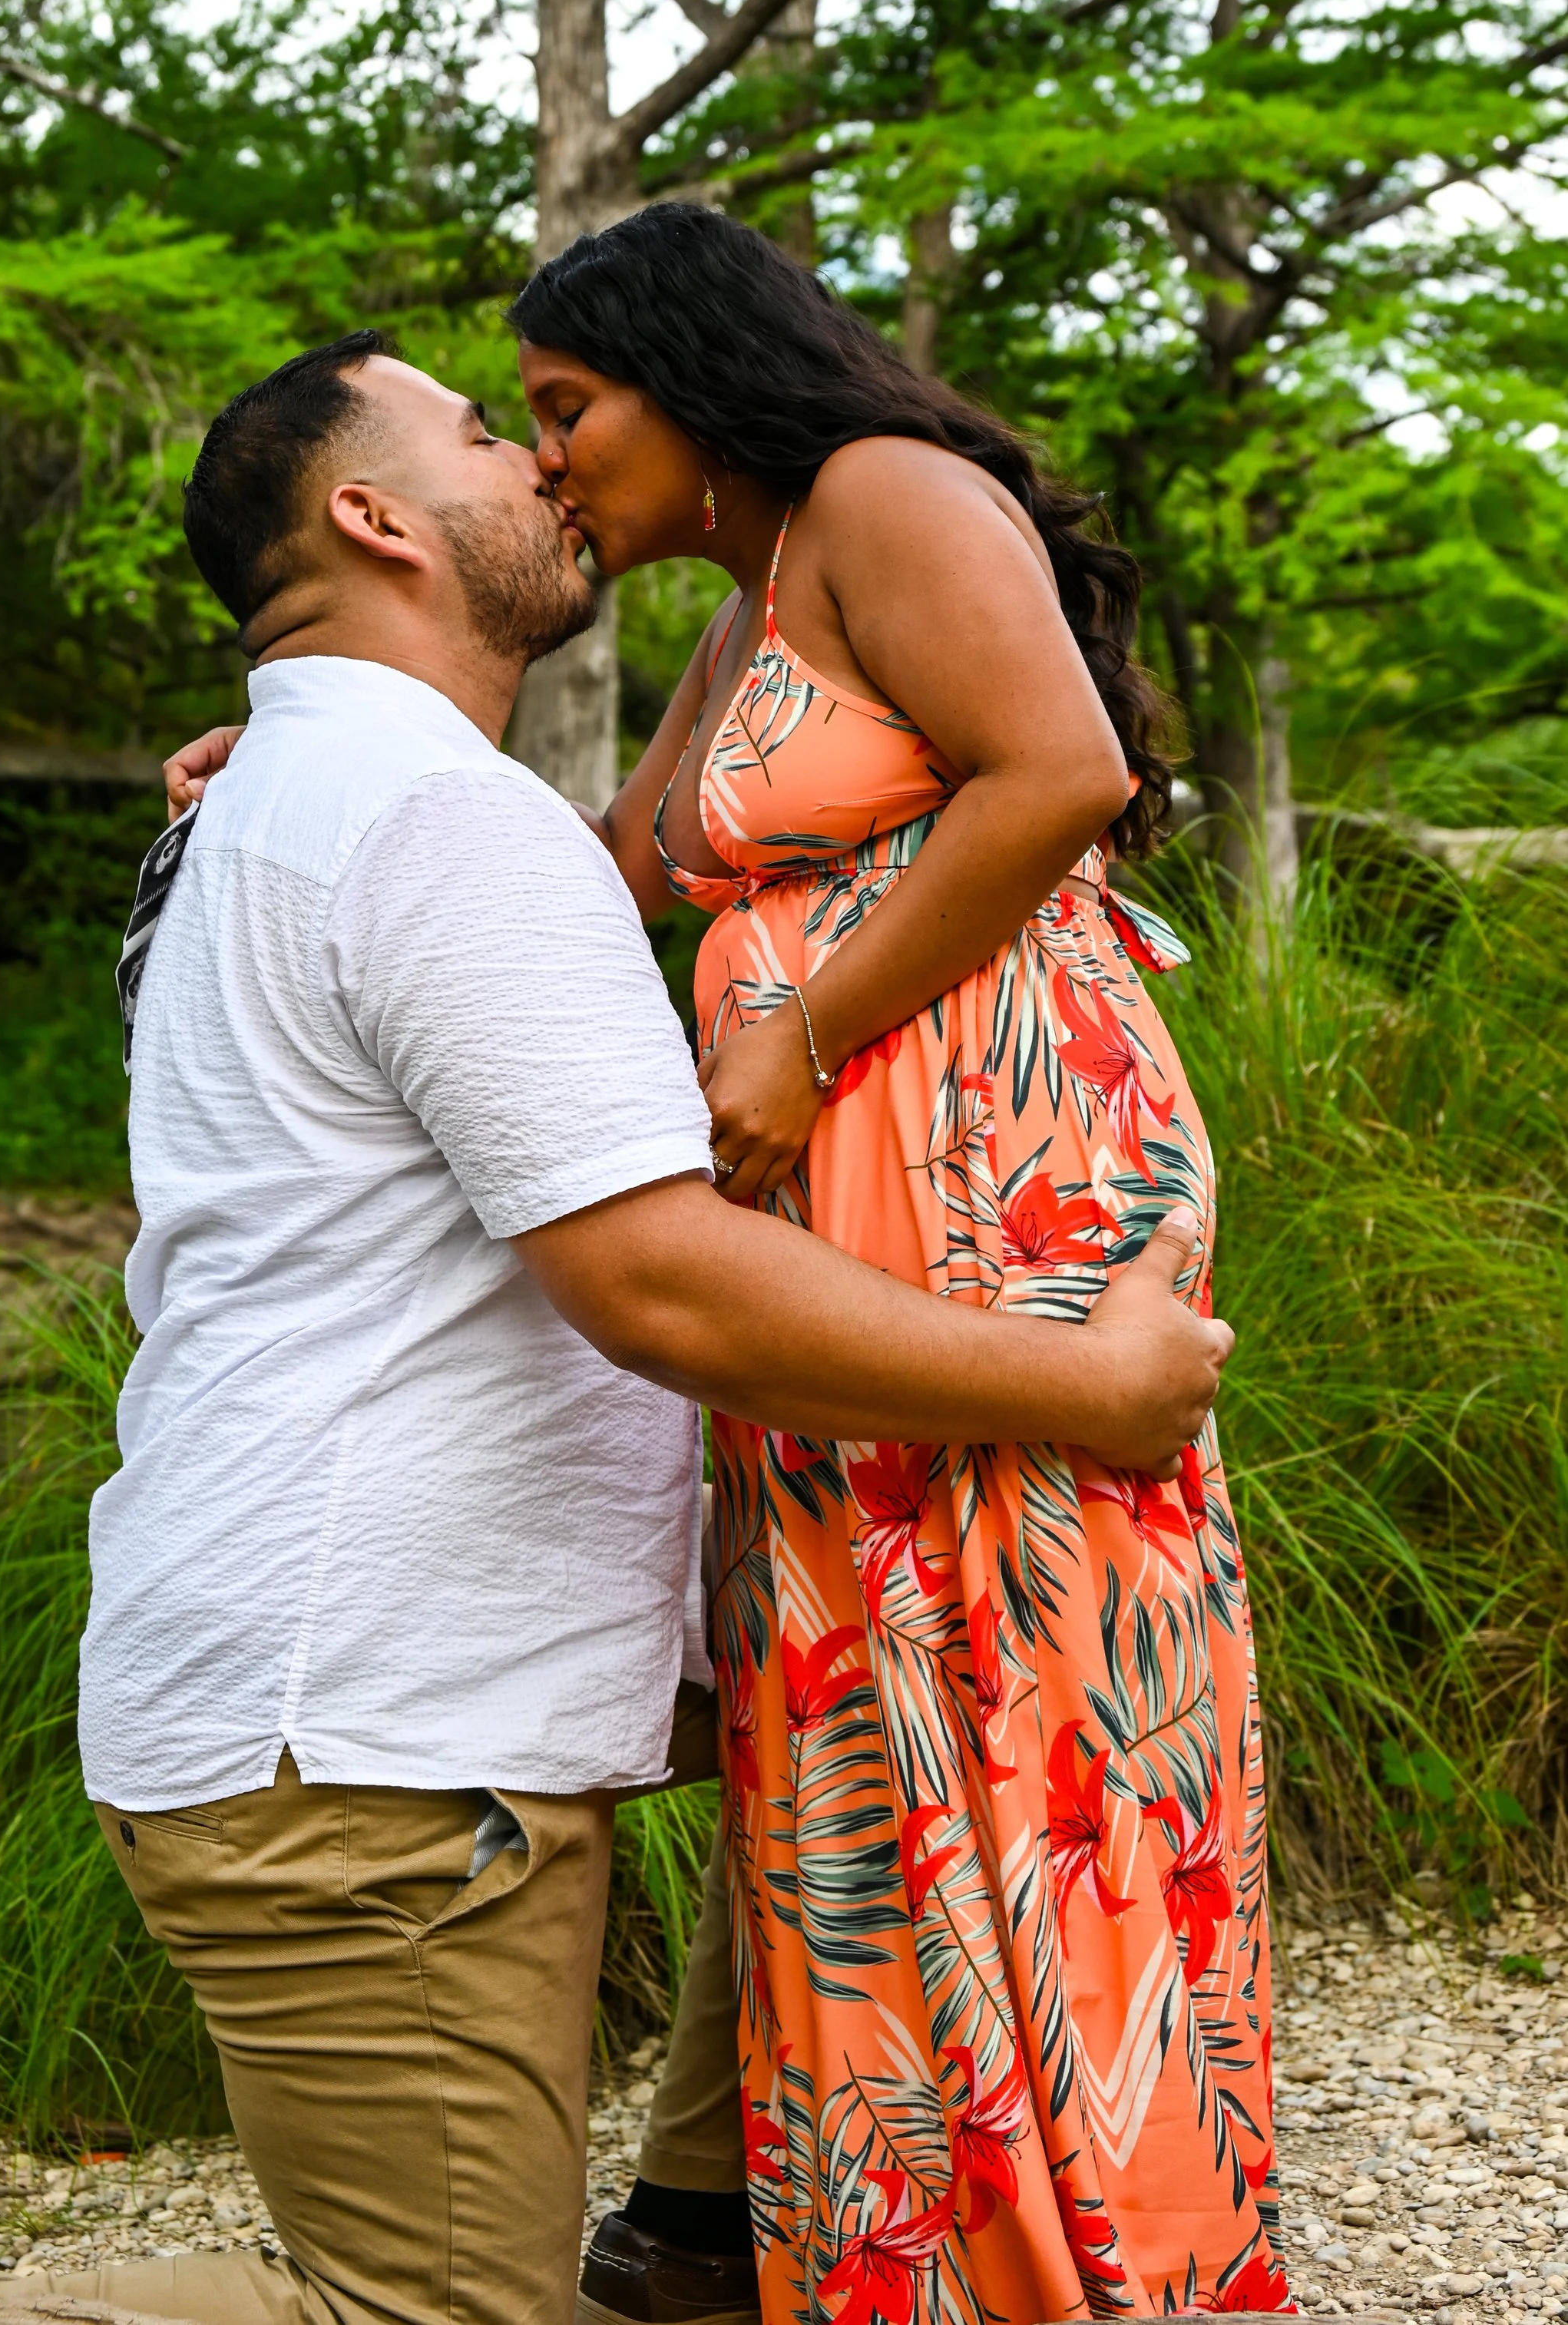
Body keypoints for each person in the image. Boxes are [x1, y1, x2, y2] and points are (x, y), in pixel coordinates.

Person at [0, 331, 1228, 2325]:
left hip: (366, 1691)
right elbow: (652, 1277)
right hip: (367, 1742)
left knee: (821, 1788)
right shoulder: (414, 819)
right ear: (374, 514)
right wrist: (1084, 1379)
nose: (541, 464)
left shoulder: (326, 800)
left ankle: (687, 2232)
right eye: (490, 433)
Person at [506, 204, 1288, 2323]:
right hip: (828, 1196)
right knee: (859, 1699)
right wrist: (320, 758)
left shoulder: (885, 493)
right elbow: (598, 872)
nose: (553, 461)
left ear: (685, 369)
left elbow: (1063, 772)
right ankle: (921, 2260)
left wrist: (807, 1019)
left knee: (1028, 1694)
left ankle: (1106, 2258)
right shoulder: (752, 590)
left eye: (568, 410)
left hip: (991, 1158)